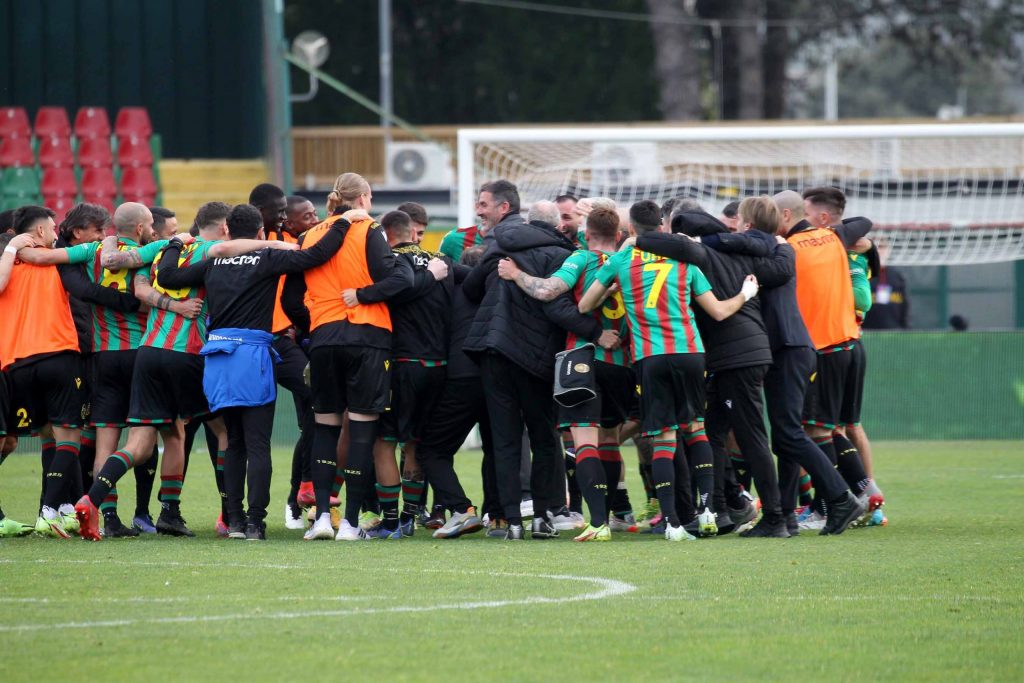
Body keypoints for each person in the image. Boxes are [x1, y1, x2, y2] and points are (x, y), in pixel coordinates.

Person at [139, 203, 350, 541]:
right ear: (259, 232)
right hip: (252, 355)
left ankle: (234, 521)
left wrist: (175, 244)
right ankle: (255, 523)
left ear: (226, 231)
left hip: (218, 357)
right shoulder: (267, 258)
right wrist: (342, 223)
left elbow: (167, 277)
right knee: (257, 444)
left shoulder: (211, 262)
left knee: (233, 441)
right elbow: (315, 256)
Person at [579, 200, 760, 542]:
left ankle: (674, 524)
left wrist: (615, 289)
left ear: (631, 230)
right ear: (662, 228)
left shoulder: (621, 261)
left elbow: (585, 305)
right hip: (691, 352)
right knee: (695, 428)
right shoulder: (684, 261)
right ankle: (707, 511)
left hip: (650, 357)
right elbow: (720, 312)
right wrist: (745, 293)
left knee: (662, 436)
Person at [463, 186, 614, 541]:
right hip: (536, 357)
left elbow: (470, 289)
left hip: (493, 350)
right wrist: (595, 332)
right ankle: (544, 515)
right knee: (545, 436)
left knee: (503, 439)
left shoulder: (499, 247)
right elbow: (557, 306)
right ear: (556, 226)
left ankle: (510, 520)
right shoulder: (563, 254)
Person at [17, 202, 169, 537]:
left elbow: (42, 259)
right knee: (158, 437)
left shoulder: (88, 251)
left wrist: (15, 246)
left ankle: (105, 515)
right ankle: (155, 510)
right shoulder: (153, 251)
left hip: (100, 356)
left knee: (102, 441)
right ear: (143, 227)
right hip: (137, 353)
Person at [497, 206, 633, 542]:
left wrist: (516, 275)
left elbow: (546, 292)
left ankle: (597, 523)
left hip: (582, 360)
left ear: (587, 234)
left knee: (584, 439)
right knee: (611, 439)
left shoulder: (581, 259)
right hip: (623, 362)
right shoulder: (630, 263)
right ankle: (618, 513)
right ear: (617, 236)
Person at [280, 172, 402, 542]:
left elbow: (290, 299)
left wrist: (315, 324)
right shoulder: (369, 229)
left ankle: (320, 518)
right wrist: (364, 294)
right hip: (367, 336)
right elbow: (390, 277)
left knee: (325, 427)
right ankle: (349, 522)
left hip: (324, 339)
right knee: (362, 430)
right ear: (364, 197)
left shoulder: (309, 235)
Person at [774, 187, 873, 533]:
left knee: (814, 429)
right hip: (849, 342)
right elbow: (864, 222)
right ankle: (862, 491)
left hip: (823, 347)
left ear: (787, 216)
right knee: (832, 427)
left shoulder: (787, 249)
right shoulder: (833, 238)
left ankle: (829, 503)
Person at [363, 209, 452, 538]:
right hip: (438, 366)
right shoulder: (441, 262)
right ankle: (408, 519)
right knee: (414, 443)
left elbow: (395, 291)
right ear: (412, 232)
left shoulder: (388, 265)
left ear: (386, 234)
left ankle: (389, 524)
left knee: (383, 443)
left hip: (402, 365)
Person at [1, 207, 88, 538]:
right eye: (52, 228)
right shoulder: (55, 259)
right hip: (57, 353)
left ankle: (65, 509)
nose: (56, 232)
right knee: (70, 435)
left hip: (17, 364)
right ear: (38, 232)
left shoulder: (7, 265)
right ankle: (48, 512)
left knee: (49, 432)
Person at [415, 245, 494, 539]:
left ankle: (462, 510)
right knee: (499, 449)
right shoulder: (496, 293)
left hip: (462, 377)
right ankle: (498, 516)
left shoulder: (452, 292)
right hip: (496, 376)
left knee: (431, 450)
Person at [255, 186, 321, 531]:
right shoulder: (247, 241)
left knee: (317, 406)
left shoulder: (298, 241)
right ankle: (232, 511)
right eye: (305, 215)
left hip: (295, 340)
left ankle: (301, 493)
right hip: (257, 341)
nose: (313, 219)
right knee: (236, 428)